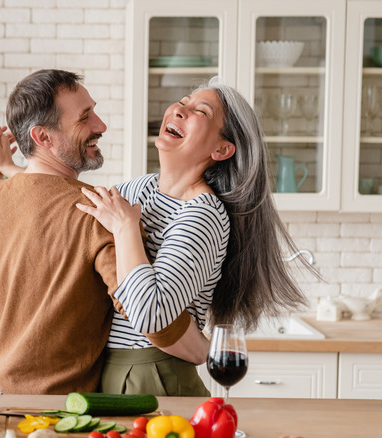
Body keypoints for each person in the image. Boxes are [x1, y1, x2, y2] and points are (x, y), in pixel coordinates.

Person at [0, 69, 204, 395]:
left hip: (1, 399)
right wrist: (205, 351)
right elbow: (148, 315)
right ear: (43, 138)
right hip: (64, 413)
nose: (100, 125)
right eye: (85, 118)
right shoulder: (98, 213)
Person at [72, 76, 310, 394]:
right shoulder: (135, 189)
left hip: (154, 375)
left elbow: (151, 316)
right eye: (183, 102)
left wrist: (126, 228)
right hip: (106, 369)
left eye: (201, 111)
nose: (180, 111)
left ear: (222, 149)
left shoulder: (203, 215)